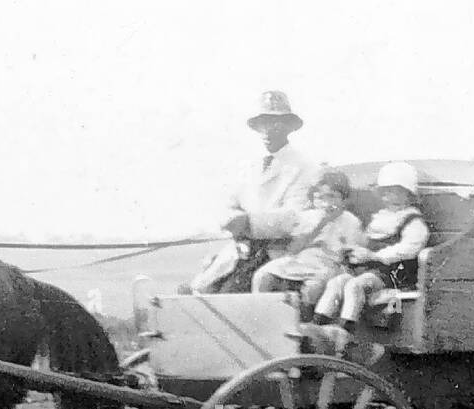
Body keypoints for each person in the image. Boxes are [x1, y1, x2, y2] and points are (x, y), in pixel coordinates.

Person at [184, 91, 320, 294]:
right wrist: (231, 219)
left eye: (275, 123)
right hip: (239, 251)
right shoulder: (246, 165)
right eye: (263, 123)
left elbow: (295, 216)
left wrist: (249, 222)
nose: (267, 130)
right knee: (195, 294)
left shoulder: (304, 166)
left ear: (288, 127)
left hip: (277, 253)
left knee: (233, 301)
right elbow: (228, 203)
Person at [311, 161, 430, 353]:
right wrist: (353, 250)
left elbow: (408, 249)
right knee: (337, 281)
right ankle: (317, 326)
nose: (390, 197)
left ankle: (344, 331)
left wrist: (374, 255)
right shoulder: (381, 217)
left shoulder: (413, 221)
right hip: (374, 270)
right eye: (386, 192)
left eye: (397, 192)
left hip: (396, 274)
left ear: (409, 194)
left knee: (355, 285)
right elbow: (366, 243)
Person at [250, 169, 364, 314]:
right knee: (263, 275)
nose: (326, 203)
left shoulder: (351, 221)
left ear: (344, 200)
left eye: (332, 197)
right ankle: (260, 315)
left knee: (313, 287)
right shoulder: (308, 217)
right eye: (320, 198)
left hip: (330, 264)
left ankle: (305, 323)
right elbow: (294, 249)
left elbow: (353, 253)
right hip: (302, 260)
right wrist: (322, 224)